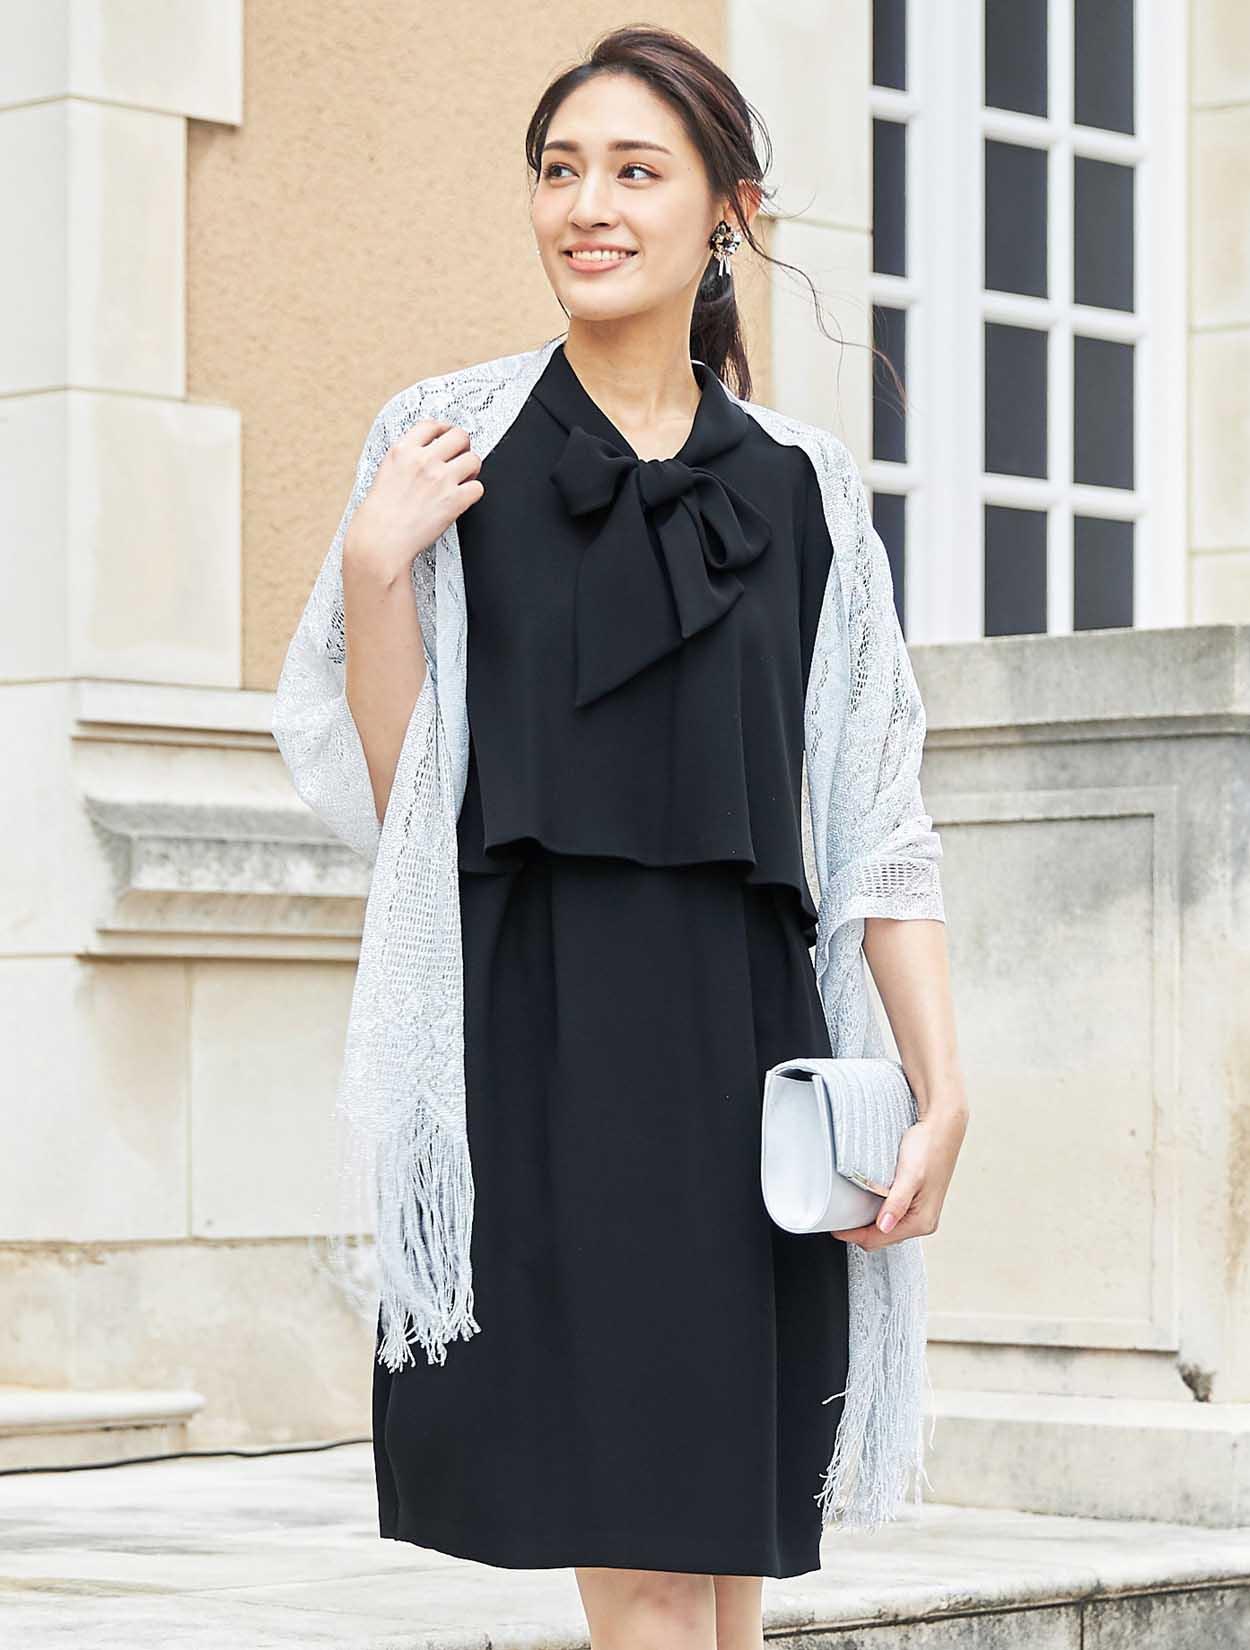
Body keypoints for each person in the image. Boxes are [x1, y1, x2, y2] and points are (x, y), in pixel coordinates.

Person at [281, 25, 969, 1650]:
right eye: (558, 169)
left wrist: (942, 1088)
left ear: (728, 211)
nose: (586, 205)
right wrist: (377, 570)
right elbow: (399, 795)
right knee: (648, 1560)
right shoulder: (445, 438)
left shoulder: (804, 488)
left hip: (749, 1053)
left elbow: (878, 817)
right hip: (545, 1039)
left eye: (633, 171)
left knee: (722, 1561)